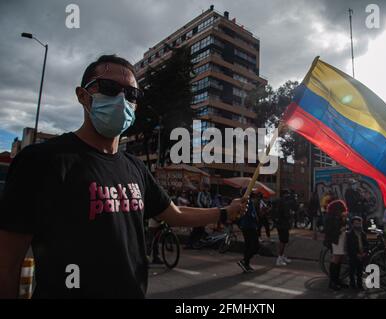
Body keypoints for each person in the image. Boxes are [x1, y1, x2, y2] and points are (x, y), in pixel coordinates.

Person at [0, 55, 243, 299]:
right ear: (82, 96)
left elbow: (174, 214)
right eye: (109, 88)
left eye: (131, 95)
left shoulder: (135, 168)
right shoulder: (42, 161)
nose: (121, 99)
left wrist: (224, 212)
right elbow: (7, 265)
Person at [324, 198, 349, 291]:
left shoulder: (335, 216)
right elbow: (330, 230)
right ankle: (333, 281)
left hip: (339, 240)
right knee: (336, 259)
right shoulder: (332, 217)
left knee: (338, 259)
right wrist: (340, 230)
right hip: (335, 240)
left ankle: (336, 280)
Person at [237, 189, 259, 273]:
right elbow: (250, 214)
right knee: (255, 246)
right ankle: (244, 261)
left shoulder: (248, 201)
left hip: (246, 226)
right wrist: (256, 218)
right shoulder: (246, 202)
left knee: (248, 246)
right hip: (249, 226)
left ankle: (246, 264)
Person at [346, 216, 368, 290]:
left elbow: (366, 245)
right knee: (352, 271)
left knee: (360, 271)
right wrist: (356, 254)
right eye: (356, 223)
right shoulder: (349, 234)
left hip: (362, 255)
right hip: (353, 256)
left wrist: (364, 253)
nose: (358, 225)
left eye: (359, 223)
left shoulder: (363, 234)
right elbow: (349, 247)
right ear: (352, 224)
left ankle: (359, 284)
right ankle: (352, 284)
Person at [273, 190, 294, 266]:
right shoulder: (283, 202)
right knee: (283, 241)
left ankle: (282, 256)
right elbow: (285, 214)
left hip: (280, 224)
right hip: (283, 224)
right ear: (284, 194)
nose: (288, 195)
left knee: (284, 241)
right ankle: (279, 258)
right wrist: (290, 214)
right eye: (287, 194)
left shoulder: (280, 201)